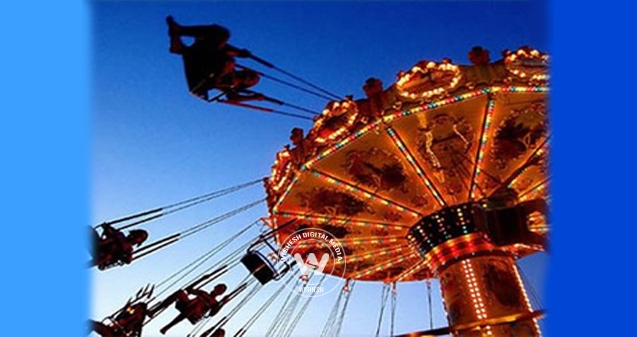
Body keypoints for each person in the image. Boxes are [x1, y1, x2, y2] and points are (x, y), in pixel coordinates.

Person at [166, 16, 263, 102]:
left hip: (200, 77)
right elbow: (223, 49)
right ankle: (180, 34)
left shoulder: (232, 86)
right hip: (202, 55)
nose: (247, 75)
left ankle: (181, 47)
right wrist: (239, 53)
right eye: (250, 74)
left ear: (246, 84)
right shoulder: (231, 67)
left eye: (250, 79)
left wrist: (254, 97)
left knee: (227, 60)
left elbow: (233, 98)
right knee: (221, 34)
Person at [150, 283, 229, 335]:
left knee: (195, 306)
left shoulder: (214, 302)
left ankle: (167, 327)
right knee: (180, 293)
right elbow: (188, 290)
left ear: (221, 293)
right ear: (215, 287)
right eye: (219, 288)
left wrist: (222, 303)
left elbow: (212, 313)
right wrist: (201, 280)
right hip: (186, 305)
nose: (218, 290)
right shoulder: (203, 293)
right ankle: (154, 311)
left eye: (221, 290)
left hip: (195, 314)